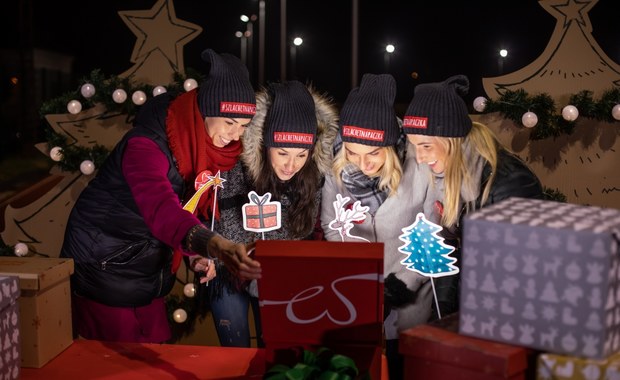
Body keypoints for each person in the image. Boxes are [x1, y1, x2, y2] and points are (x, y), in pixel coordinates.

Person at [60, 48, 262, 344]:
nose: (234, 135)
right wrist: (213, 244)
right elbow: (162, 210)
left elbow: (186, 207)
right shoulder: (145, 146)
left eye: (243, 126)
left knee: (158, 349)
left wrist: (195, 256)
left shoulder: (205, 149)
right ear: (205, 111)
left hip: (148, 271)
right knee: (117, 363)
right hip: (104, 267)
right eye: (229, 122)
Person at [397, 74, 544, 376]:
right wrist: (442, 321)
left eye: (425, 146)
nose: (421, 159)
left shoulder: (508, 183)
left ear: (450, 139)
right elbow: (453, 256)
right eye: (415, 148)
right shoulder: (450, 177)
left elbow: (516, 279)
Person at [191, 80, 339, 347]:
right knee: (234, 352)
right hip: (227, 270)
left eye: (301, 154)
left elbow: (312, 231)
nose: (291, 164)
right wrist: (204, 255)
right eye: (282, 152)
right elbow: (204, 213)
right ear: (263, 143)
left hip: (280, 276)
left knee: (275, 352)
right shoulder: (231, 161)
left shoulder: (314, 175)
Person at [320, 73, 431, 380]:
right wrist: (357, 275)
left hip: (410, 297)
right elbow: (331, 225)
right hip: (356, 294)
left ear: (391, 147)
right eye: (353, 153)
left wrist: (404, 283)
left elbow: (434, 233)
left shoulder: (418, 167)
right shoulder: (338, 169)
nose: (362, 164)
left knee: (402, 369)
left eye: (373, 154)